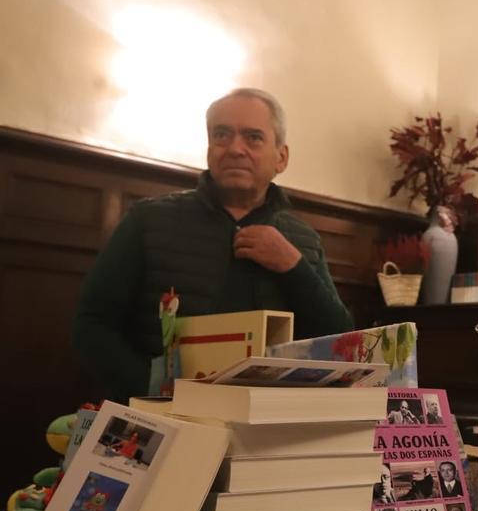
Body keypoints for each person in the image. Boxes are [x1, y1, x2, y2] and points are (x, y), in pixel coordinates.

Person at [72, 88, 353, 404]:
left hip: (261, 425)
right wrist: (154, 390)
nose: (235, 149)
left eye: (253, 137)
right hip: (159, 418)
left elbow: (341, 340)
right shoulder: (148, 220)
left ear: (281, 157)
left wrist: (294, 267)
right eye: (222, 135)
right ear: (209, 149)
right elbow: (92, 324)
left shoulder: (304, 240)